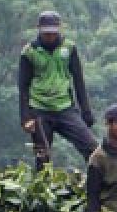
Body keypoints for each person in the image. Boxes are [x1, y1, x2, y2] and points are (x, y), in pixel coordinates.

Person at [19, 10, 99, 169]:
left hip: (65, 108)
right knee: (43, 158)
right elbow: (23, 86)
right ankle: (44, 190)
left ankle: (100, 184)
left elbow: (78, 80)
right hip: (39, 110)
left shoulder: (68, 48)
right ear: (39, 30)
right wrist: (25, 117)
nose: (50, 37)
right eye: (46, 33)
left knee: (93, 149)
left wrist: (86, 111)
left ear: (59, 30)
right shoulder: (29, 52)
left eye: (53, 33)